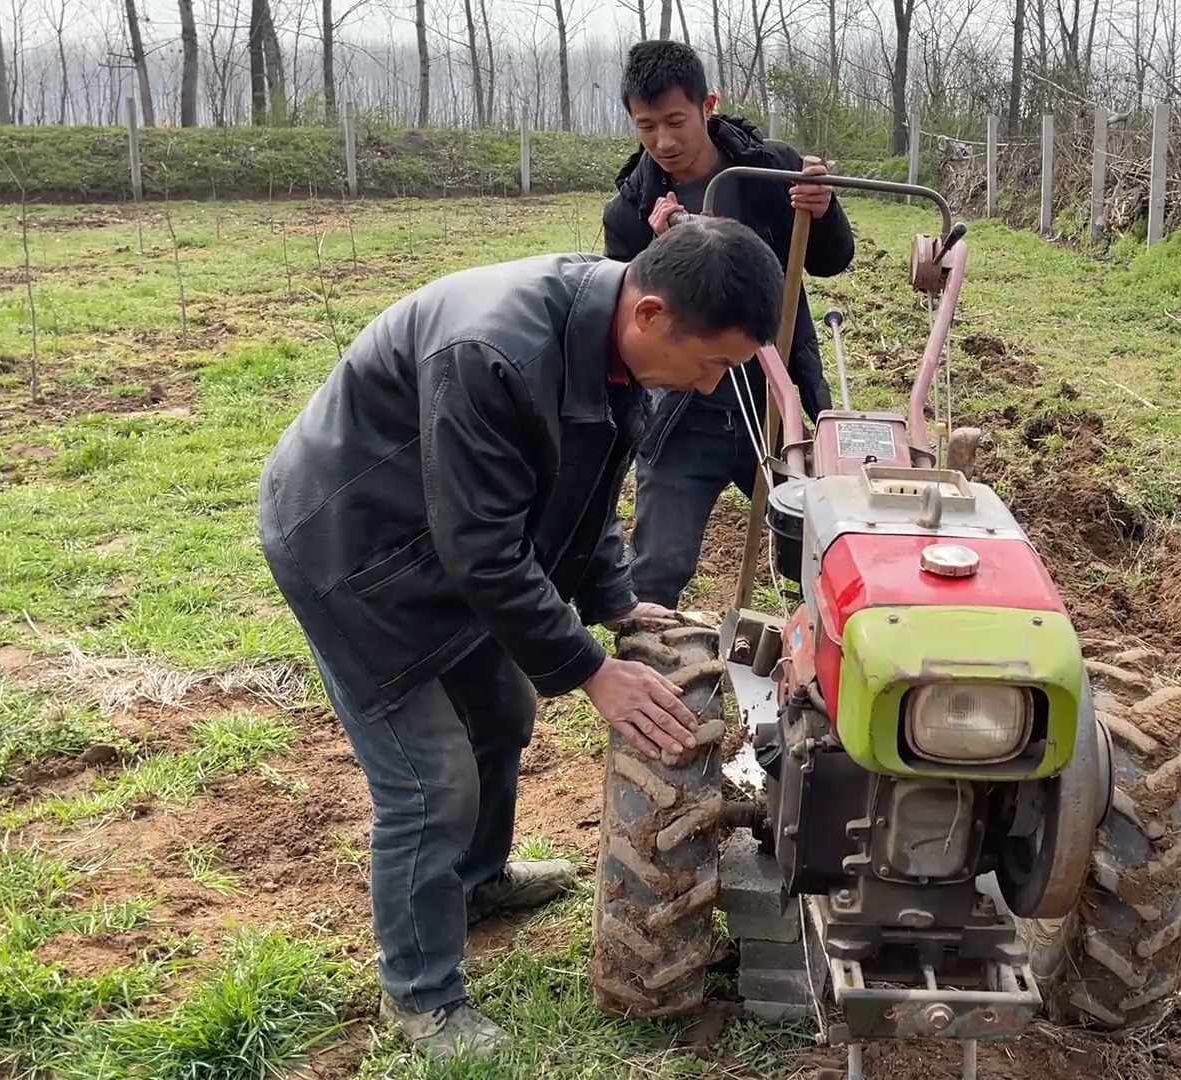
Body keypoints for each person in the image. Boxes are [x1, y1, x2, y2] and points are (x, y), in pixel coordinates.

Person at [256, 217, 787, 1061]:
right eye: (714, 362)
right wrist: (591, 670)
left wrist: (613, 600)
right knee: (430, 780)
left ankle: (477, 881)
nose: (712, 384)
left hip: (438, 538)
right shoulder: (494, 352)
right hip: (351, 548)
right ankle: (424, 998)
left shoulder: (614, 340)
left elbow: (586, 482)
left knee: (502, 710)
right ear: (651, 312)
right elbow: (483, 549)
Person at [602, 40, 857, 609]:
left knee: (819, 551)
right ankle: (651, 685)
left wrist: (822, 208)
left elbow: (830, 260)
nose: (663, 142)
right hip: (683, 413)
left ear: (707, 105)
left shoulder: (768, 171)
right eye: (647, 126)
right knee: (656, 570)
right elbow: (627, 320)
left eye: (675, 121)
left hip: (776, 401)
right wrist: (655, 253)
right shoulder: (630, 210)